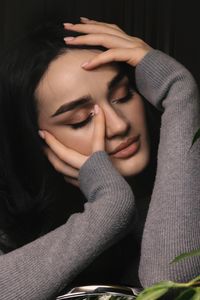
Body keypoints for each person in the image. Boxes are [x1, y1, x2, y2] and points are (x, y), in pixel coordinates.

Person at [0, 17, 199, 299]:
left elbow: (168, 286)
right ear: (35, 140)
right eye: (81, 120)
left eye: (122, 95)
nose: (119, 126)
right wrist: (109, 208)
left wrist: (179, 91)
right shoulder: (7, 228)